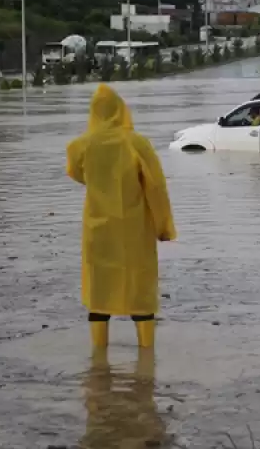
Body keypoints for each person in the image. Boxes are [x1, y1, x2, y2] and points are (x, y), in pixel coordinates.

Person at [66, 83, 177, 349]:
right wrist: (164, 227)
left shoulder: (80, 145)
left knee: (99, 291)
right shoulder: (137, 143)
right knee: (139, 289)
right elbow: (156, 187)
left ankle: (99, 359)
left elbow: (76, 174)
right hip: (135, 229)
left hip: (97, 229)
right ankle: (146, 355)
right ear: (122, 110)